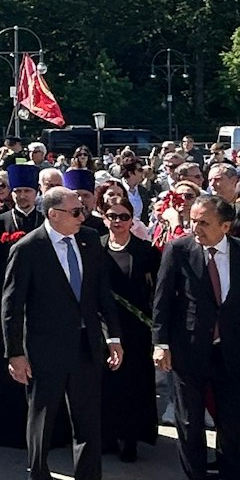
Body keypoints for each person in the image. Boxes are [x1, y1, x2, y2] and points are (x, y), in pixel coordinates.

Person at [153, 195, 240, 480]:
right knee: (191, 425)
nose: (195, 228)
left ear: (225, 225)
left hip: (232, 353)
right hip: (189, 352)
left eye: (203, 222)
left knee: (232, 428)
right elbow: (162, 301)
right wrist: (160, 343)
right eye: (192, 220)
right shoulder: (179, 250)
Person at [2, 187, 122, 480]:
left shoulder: (89, 241)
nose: (82, 216)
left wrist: (113, 337)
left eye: (82, 210)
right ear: (53, 214)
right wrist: (14, 353)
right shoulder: (28, 249)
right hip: (44, 350)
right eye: (75, 211)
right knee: (42, 420)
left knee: (88, 422)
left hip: (86, 346)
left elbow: (102, 294)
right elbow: (12, 307)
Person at [96, 198, 159, 463]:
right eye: (112, 216)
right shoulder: (95, 247)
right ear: (104, 218)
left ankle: (130, 438)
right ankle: (107, 435)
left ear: (132, 220)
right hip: (102, 325)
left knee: (133, 384)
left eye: (123, 216)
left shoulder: (145, 251)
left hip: (136, 327)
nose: (118, 221)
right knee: (106, 383)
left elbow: (157, 290)